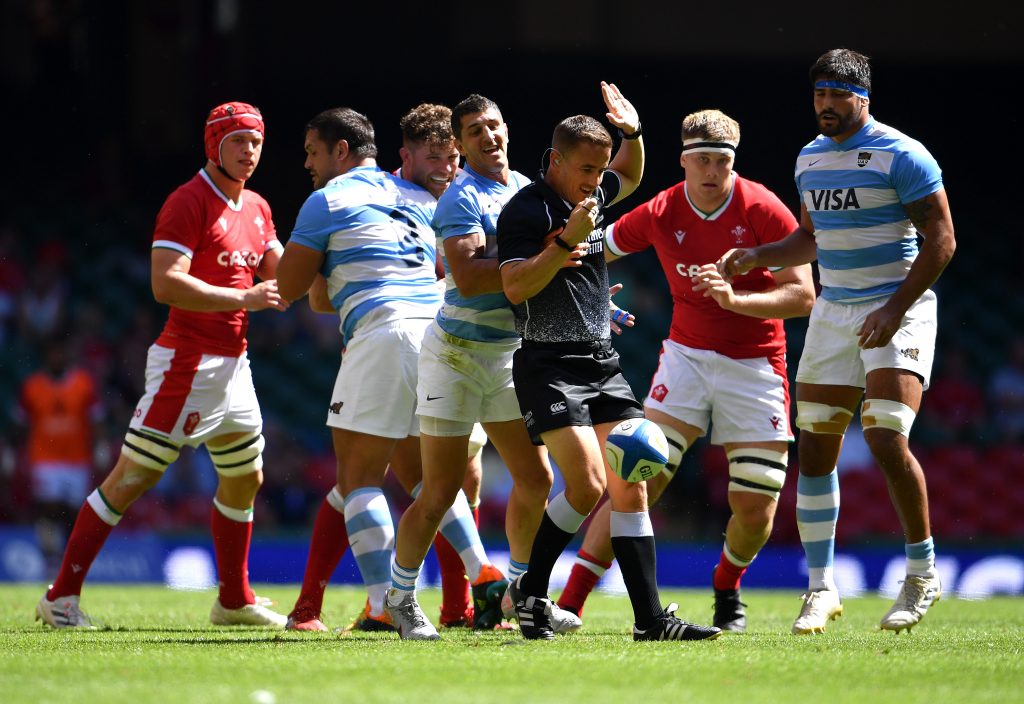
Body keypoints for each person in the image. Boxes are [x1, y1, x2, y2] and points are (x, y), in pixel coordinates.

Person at [719, 49, 956, 634]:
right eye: (819, 93)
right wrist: (758, 255)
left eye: (837, 93)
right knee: (817, 449)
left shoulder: (903, 155)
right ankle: (821, 589)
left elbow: (943, 241)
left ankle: (921, 574)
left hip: (896, 304)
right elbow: (811, 238)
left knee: (883, 434)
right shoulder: (810, 158)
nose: (825, 104)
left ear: (863, 98)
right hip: (834, 310)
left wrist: (894, 306)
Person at [556, 109, 816, 632]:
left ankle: (727, 584)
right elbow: (589, 251)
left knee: (754, 509)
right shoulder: (662, 209)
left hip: (758, 365)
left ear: (733, 163)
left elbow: (804, 295)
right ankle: (569, 602)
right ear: (683, 162)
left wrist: (734, 298)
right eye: (702, 160)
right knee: (636, 475)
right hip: (687, 358)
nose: (712, 171)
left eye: (722, 161)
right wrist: (591, 302)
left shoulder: (762, 207)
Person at [36, 102, 290, 628]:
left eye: (257, 142)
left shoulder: (259, 207)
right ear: (214, 144)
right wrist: (244, 299)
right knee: (132, 478)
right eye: (239, 141)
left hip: (234, 364)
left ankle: (234, 600)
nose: (250, 152)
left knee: (246, 476)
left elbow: (281, 270)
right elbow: (165, 283)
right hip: (188, 365)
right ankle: (60, 597)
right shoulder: (187, 201)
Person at [496, 82, 721, 641]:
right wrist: (562, 242)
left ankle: (650, 621)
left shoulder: (592, 197)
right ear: (554, 161)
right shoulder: (526, 211)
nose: (596, 181)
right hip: (548, 365)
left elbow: (634, 173)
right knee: (586, 486)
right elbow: (515, 288)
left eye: (600, 170)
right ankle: (530, 593)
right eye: (585, 170)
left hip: (602, 362)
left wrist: (634, 132)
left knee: (631, 483)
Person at [277, 107, 507, 635]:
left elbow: (292, 288)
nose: (307, 164)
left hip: (384, 333)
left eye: (312, 151)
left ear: (340, 151)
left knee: (359, 480)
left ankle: (384, 603)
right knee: (426, 479)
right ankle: (484, 571)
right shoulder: (422, 199)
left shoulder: (327, 200)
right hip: (438, 334)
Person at [384, 93, 571, 640]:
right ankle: (399, 598)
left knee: (536, 478)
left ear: (507, 128)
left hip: (509, 357)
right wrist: (553, 252)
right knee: (440, 491)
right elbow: (468, 277)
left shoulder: (528, 191)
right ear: (462, 147)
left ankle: (521, 592)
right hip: (456, 357)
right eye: (474, 132)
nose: (487, 136)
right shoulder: (460, 197)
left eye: (493, 125)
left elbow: (547, 271)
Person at [394, 102, 493, 628]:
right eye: (433, 156)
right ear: (406, 155)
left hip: (464, 348)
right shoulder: (388, 200)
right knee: (414, 483)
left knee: (466, 478)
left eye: (450, 157)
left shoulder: (468, 200)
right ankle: (372, 602)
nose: (444, 166)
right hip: (404, 349)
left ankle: (460, 606)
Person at [16, 338, 104, 571]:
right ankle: (49, 556)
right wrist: (13, 450)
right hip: (45, 459)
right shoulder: (33, 386)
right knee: (48, 507)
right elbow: (21, 423)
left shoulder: (83, 383)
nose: (57, 358)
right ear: (46, 356)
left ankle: (70, 559)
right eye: (52, 353)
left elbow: (96, 419)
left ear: (67, 355)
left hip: (77, 459)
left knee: (75, 512)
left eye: (60, 353)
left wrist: (101, 446)